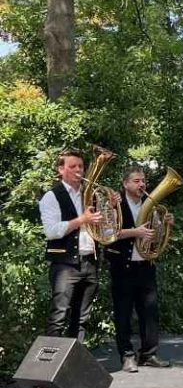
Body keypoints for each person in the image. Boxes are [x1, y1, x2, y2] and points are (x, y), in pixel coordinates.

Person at [105, 165, 172, 372]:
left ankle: (149, 354)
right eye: (136, 181)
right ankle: (127, 356)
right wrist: (135, 232)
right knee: (123, 313)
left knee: (149, 312)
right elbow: (107, 233)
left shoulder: (151, 205)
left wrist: (166, 224)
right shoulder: (114, 204)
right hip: (122, 266)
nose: (141, 184)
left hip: (145, 265)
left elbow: (157, 237)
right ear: (125, 184)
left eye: (143, 180)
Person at [39, 149, 104, 342]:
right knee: (59, 315)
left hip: (89, 262)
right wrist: (82, 219)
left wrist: (110, 213)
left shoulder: (91, 195)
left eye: (81, 167)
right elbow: (51, 231)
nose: (79, 171)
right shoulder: (51, 196)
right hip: (65, 265)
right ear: (61, 169)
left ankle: (74, 365)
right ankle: (49, 365)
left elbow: (106, 231)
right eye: (72, 166)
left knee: (82, 318)